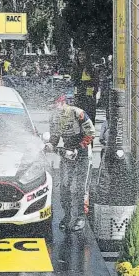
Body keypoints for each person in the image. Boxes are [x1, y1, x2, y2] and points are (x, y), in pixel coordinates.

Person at [47, 94, 95, 232]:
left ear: (63, 103)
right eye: (52, 107)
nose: (54, 110)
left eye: (56, 106)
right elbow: (55, 137)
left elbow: (91, 133)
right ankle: (67, 216)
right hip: (68, 152)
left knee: (81, 186)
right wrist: (50, 145)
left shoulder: (78, 113)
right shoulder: (53, 117)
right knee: (64, 186)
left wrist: (78, 148)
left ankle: (81, 218)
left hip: (84, 152)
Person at [72, 50, 100, 124]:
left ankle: (90, 134)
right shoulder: (75, 67)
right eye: (79, 55)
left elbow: (96, 82)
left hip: (89, 96)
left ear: (87, 57)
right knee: (78, 116)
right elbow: (74, 82)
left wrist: (93, 93)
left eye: (83, 55)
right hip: (79, 95)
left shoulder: (92, 68)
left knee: (89, 116)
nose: (81, 57)